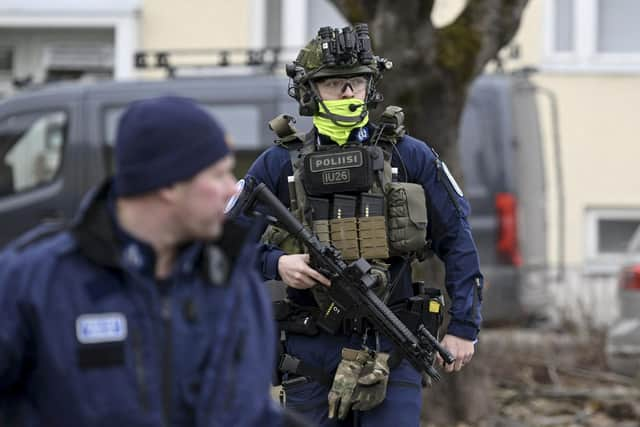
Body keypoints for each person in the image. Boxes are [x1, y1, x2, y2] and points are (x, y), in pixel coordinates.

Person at [0, 96, 304, 427]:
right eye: (218, 174)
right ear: (169, 183)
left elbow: (251, 414)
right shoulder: (36, 283)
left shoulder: (234, 283)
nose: (231, 188)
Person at [245, 25, 483, 426]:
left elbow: (457, 239)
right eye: (334, 83)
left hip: (393, 342)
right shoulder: (277, 165)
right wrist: (276, 264)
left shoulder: (410, 156)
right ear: (309, 92)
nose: (347, 93)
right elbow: (218, 247)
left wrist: (464, 326)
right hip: (310, 349)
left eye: (356, 82)